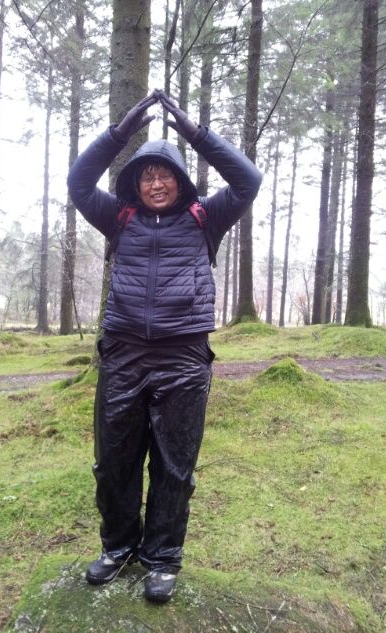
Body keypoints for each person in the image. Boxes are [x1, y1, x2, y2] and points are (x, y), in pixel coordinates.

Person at [67, 89, 262, 603]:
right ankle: (117, 547)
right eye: (147, 176)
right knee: (114, 461)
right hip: (124, 354)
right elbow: (79, 182)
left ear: (180, 180)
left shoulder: (205, 217)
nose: (156, 183)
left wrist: (194, 132)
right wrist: (119, 133)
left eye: (165, 175)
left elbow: (248, 180)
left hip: (184, 358)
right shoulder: (119, 218)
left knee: (174, 465)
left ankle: (162, 558)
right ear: (135, 184)